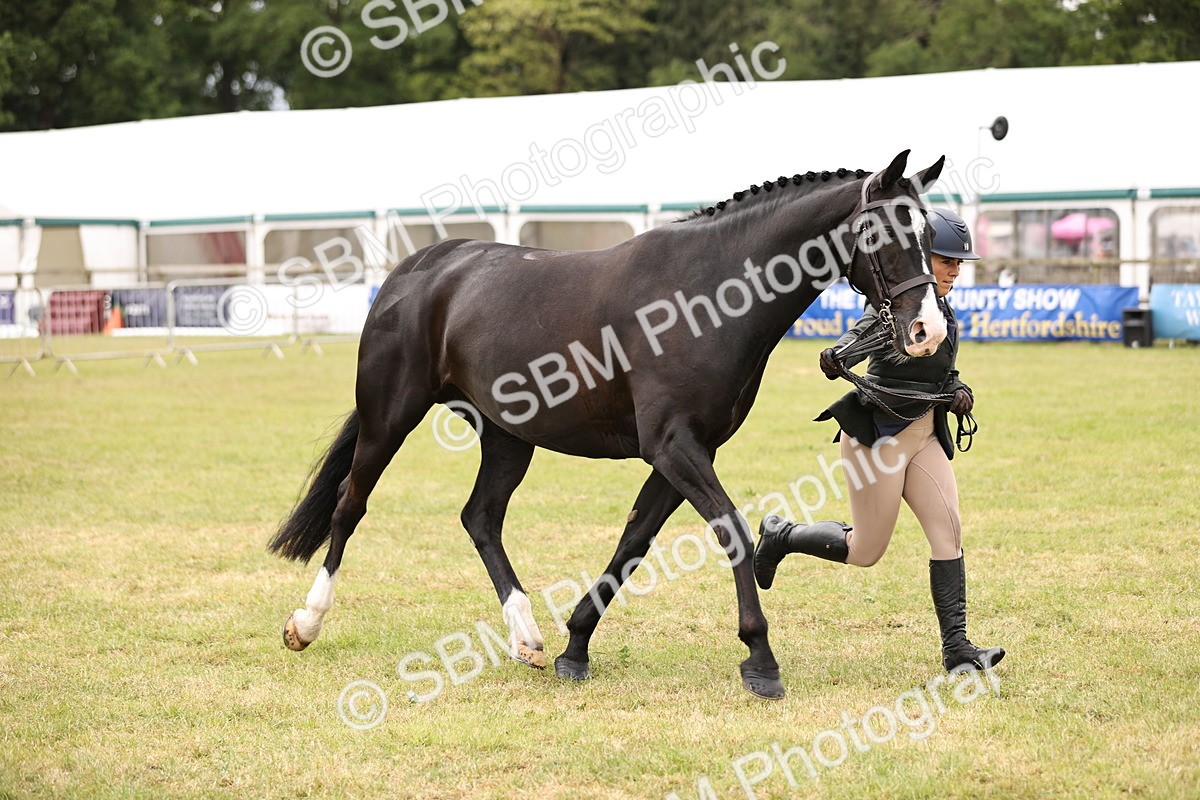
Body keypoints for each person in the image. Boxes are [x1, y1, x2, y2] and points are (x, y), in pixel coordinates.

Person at [753, 207, 1005, 674]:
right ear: (921, 258)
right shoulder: (893, 308)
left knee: (948, 533)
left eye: (958, 263)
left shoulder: (943, 313)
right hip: (880, 440)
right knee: (866, 551)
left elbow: (941, 373)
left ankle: (958, 651)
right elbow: (862, 336)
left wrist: (959, 390)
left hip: (925, 436)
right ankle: (781, 535)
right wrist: (839, 355)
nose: (954, 270)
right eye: (946, 259)